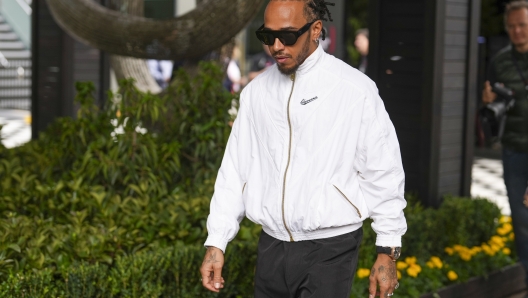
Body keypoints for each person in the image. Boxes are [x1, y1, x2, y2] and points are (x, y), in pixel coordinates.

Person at [199, 1, 407, 297]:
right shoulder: (256, 94)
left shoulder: (354, 90)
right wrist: (216, 241)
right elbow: (235, 169)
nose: (277, 46)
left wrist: (388, 248)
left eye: (288, 35)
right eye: (268, 36)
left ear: (315, 30)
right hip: (271, 245)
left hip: (331, 247)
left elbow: (383, 170)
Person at [482, 0, 528, 289]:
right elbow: (491, 109)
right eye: (511, 26)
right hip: (514, 150)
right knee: (522, 223)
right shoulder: (499, 62)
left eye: (522, 25)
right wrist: (488, 102)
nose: (517, 31)